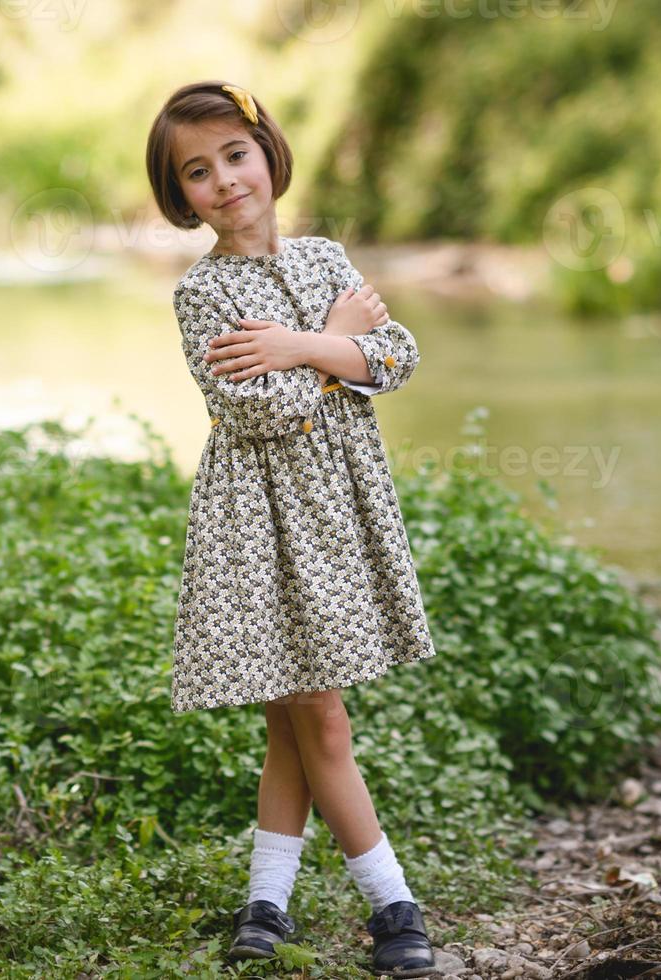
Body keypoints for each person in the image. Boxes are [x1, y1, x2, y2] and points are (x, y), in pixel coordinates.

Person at [144, 81, 441, 977]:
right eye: (198, 172)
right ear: (180, 197)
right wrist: (331, 349)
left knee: (291, 722)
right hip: (259, 525)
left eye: (235, 156)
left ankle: (263, 905)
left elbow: (395, 357)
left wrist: (305, 344)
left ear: (267, 154)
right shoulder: (202, 296)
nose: (224, 181)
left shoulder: (324, 256)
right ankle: (393, 907)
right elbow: (254, 411)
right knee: (319, 714)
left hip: (337, 515)